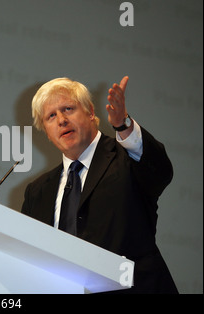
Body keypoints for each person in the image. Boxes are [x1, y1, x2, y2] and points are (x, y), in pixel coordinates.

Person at [21, 76, 178, 294]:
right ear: (46, 132)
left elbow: (160, 171)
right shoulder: (37, 192)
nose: (61, 120)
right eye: (51, 116)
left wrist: (123, 124)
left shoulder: (126, 158)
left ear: (90, 112)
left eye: (68, 109)